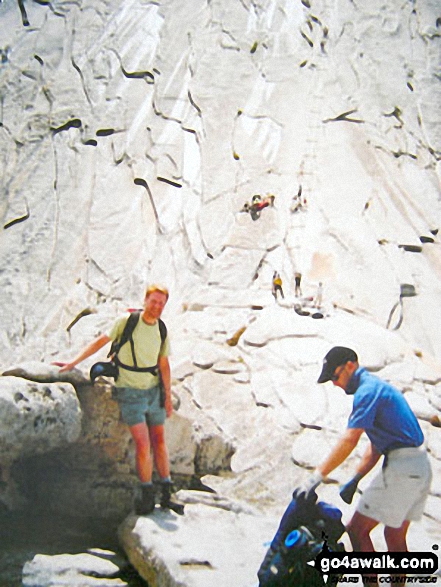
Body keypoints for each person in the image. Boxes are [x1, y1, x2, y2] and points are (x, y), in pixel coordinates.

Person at [300, 347, 432, 586]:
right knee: (394, 535)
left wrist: (316, 476)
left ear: (351, 365)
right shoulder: (378, 387)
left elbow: (350, 438)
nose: (335, 384)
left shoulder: (366, 392)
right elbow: (376, 446)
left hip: (402, 468)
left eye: (335, 376)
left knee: (356, 530)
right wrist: (356, 478)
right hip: (420, 466)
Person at [55, 285, 177, 515]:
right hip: (129, 392)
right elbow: (101, 342)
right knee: (143, 444)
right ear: (145, 300)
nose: (157, 306)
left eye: (161, 303)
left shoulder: (161, 329)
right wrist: (73, 362)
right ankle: (147, 493)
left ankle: (167, 493)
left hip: (153, 391)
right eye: (154, 301)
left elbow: (164, 364)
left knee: (159, 441)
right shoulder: (127, 321)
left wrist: (168, 396)